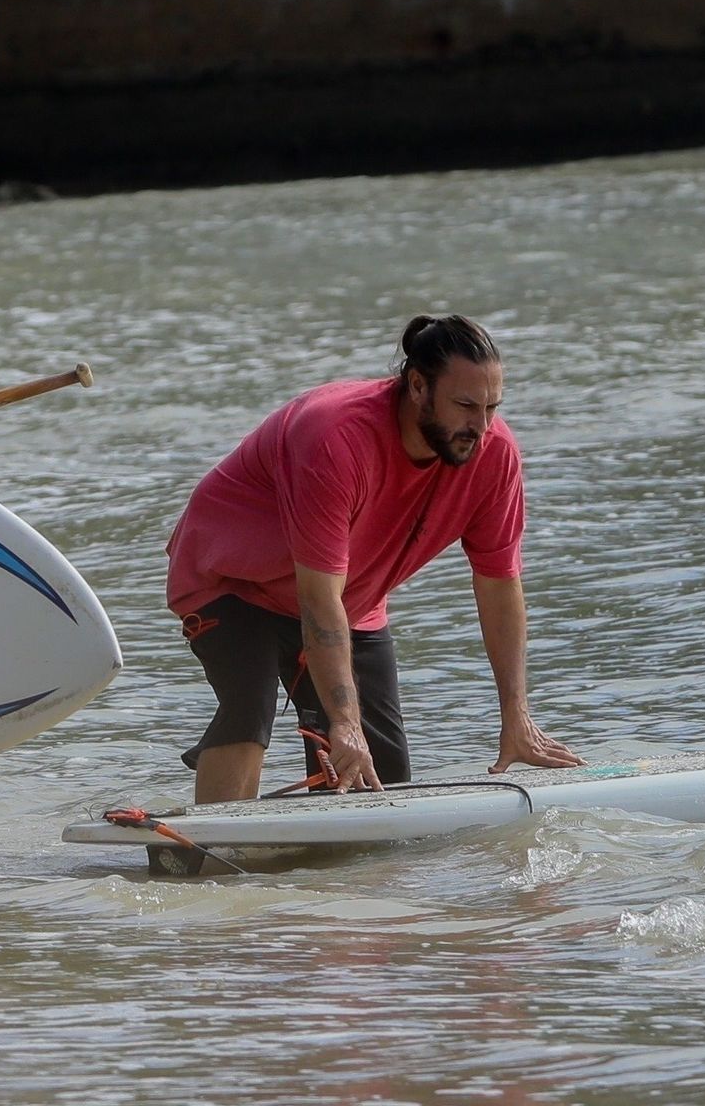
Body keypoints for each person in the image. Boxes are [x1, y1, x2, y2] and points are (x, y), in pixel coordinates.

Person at [164, 314, 581, 804]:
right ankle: (210, 843)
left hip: (351, 600)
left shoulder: (495, 455)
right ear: (418, 386)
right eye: (466, 406)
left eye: (492, 407)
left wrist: (516, 716)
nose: (481, 427)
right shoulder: (336, 437)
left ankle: (333, 848)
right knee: (250, 707)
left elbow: (499, 584)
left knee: (384, 779)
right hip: (232, 579)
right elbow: (318, 598)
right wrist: (343, 723)